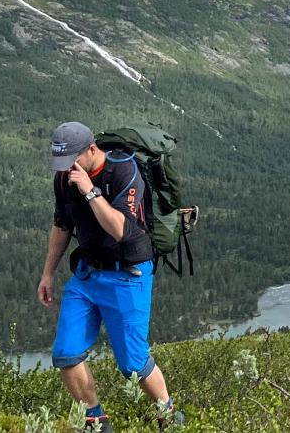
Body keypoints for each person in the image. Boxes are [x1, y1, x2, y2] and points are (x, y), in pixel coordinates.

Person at [36, 122, 183, 433]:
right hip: (87, 274)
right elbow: (61, 225)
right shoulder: (64, 179)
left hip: (127, 274)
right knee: (66, 353)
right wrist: (47, 273)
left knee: (133, 364)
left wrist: (90, 191)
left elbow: (120, 231)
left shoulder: (123, 172)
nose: (67, 169)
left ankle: (168, 417)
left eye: (72, 161)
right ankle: (96, 422)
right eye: (62, 164)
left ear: (92, 149)